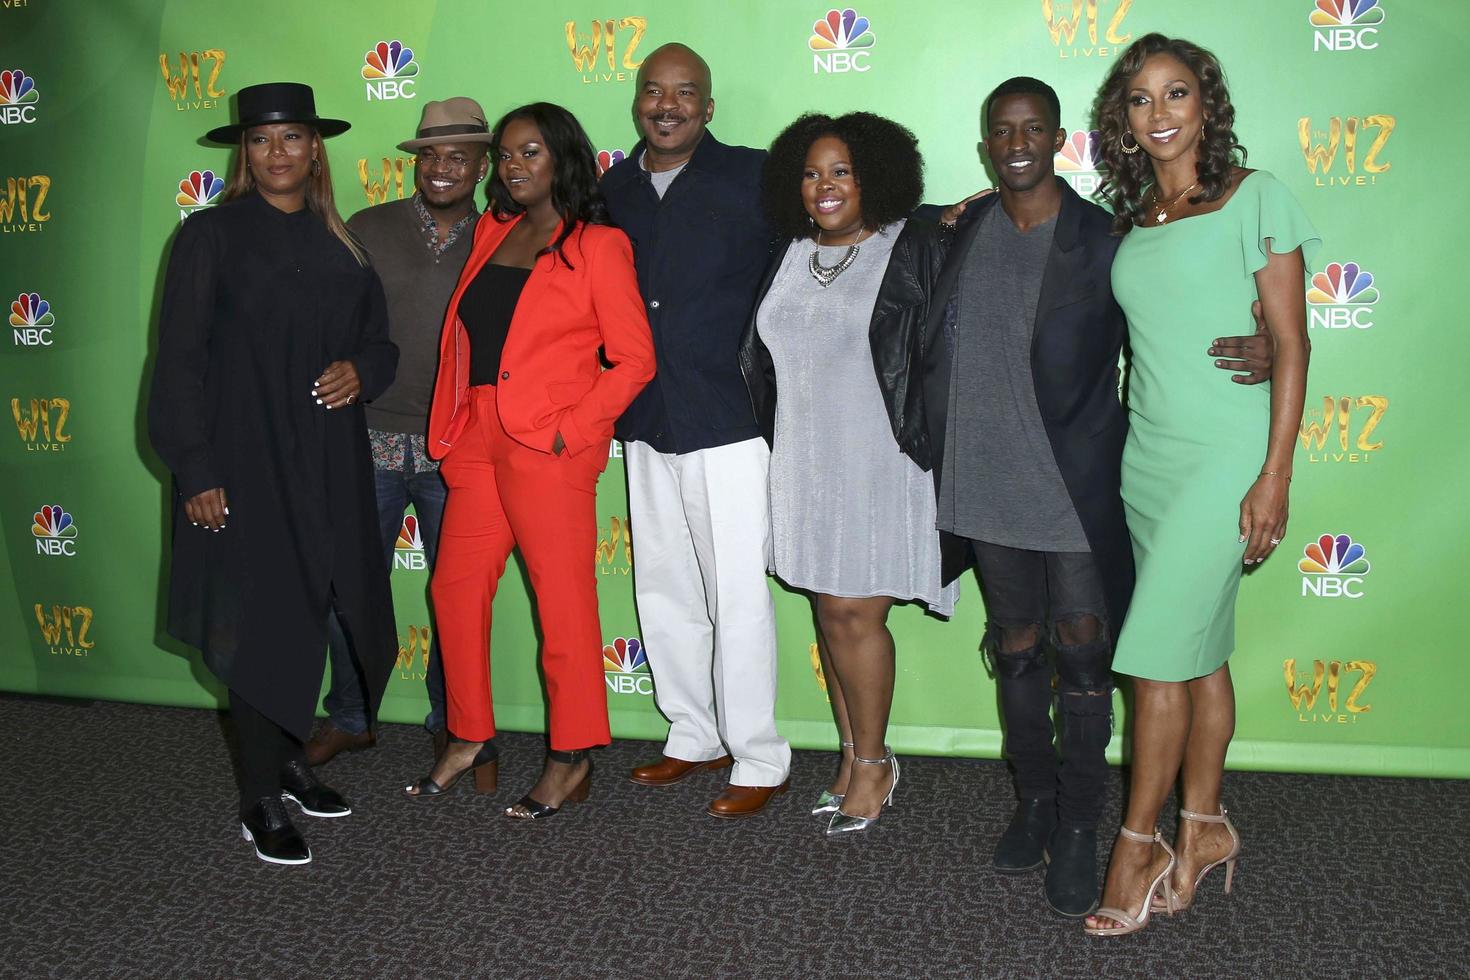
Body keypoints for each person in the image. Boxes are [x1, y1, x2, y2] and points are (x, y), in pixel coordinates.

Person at [921, 77, 1276, 918]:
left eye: (1032, 128)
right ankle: (1035, 806)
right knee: (1014, 647)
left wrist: (1264, 342)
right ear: (984, 144)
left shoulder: (1106, 234)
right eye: (1000, 130)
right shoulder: (956, 229)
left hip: (1077, 487)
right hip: (982, 480)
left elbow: (1176, 306)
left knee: (1084, 658)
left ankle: (1082, 826)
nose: (1016, 142)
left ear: (1057, 140)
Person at [1082, 35, 1316, 935]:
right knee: (1200, 650)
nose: (1161, 112)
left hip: (1225, 459)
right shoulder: (1137, 212)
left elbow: (1290, 341)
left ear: (1206, 104)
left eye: (1176, 93)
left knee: (1152, 665)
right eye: (1141, 100)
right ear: (1125, 120)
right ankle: (1205, 826)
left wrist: (1273, 474)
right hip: (1148, 461)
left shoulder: (1258, 197)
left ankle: (1137, 844)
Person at [148, 82, 399, 865]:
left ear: (315, 149)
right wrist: (196, 470)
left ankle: (287, 764)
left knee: (317, 609)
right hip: (242, 463)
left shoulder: (343, 245)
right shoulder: (209, 237)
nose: (278, 153)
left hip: (327, 464)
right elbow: (178, 366)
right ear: (244, 154)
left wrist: (363, 369)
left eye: (292, 138)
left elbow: (382, 345)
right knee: (258, 623)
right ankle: (260, 798)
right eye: (261, 140)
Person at [403, 102, 655, 820]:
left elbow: (634, 359)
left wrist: (569, 430)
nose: (515, 167)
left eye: (531, 153)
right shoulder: (495, 230)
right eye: (507, 155)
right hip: (477, 437)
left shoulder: (598, 246)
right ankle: (468, 734)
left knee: (563, 606)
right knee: (453, 592)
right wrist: (458, 424)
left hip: (548, 446)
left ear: (563, 159)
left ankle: (571, 754)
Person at [739, 112, 955, 836]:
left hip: (877, 463)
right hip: (804, 461)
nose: (824, 186)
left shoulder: (910, 245)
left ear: (876, 178)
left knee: (855, 614)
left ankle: (875, 763)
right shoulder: (789, 252)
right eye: (810, 172)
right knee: (828, 613)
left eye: (842, 171)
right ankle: (851, 754)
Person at [601, 43, 792, 819]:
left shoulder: (753, 175)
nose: (668, 104)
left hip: (728, 417)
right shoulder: (612, 187)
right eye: (654, 91)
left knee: (739, 591)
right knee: (664, 585)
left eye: (686, 92)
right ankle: (693, 733)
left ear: (708, 107)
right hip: (645, 417)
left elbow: (840, 216)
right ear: (638, 103)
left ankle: (758, 754)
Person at [306, 97, 494, 767]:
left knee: (458, 595)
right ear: (416, 161)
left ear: (481, 165)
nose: (445, 168)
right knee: (346, 589)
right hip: (368, 441)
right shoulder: (367, 227)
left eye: (460, 157)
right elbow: (329, 323)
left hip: (458, 447)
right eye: (434, 155)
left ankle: (456, 718)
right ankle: (352, 714)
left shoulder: (503, 234)